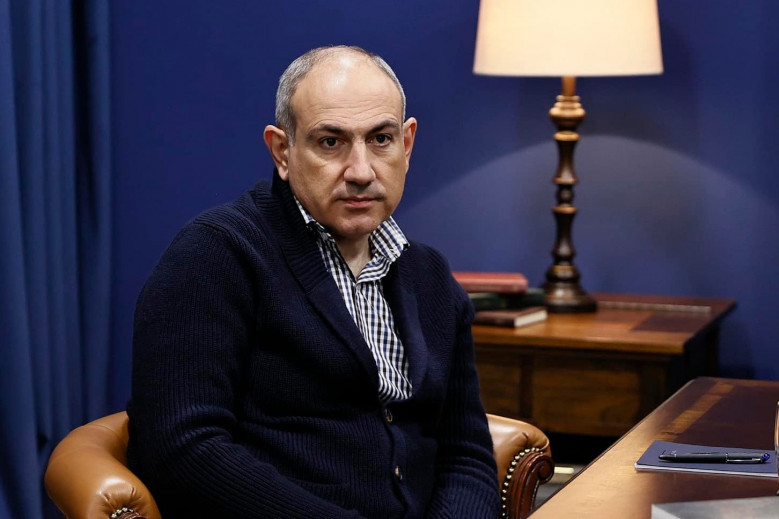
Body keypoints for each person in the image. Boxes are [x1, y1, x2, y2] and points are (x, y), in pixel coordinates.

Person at [127, 45, 500, 519]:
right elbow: (182, 449)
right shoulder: (215, 255)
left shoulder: (431, 277)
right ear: (282, 151)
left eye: (381, 139)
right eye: (330, 142)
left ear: (406, 145)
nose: (361, 171)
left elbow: (465, 453)